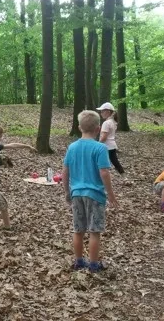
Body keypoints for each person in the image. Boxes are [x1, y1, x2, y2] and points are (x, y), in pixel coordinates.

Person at [62, 110, 118, 273]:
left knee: (78, 229)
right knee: (94, 231)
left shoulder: (72, 147)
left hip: (77, 194)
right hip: (95, 195)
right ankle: (93, 264)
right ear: (98, 129)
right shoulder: (100, 148)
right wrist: (111, 194)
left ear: (79, 127)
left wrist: (67, 191)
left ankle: (79, 261)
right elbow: (104, 172)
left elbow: (65, 171)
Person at [96, 102, 124, 175]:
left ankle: (101, 175)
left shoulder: (106, 123)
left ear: (108, 112)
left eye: (102, 111)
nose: (101, 113)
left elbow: (104, 137)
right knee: (114, 161)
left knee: (103, 161)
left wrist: (98, 144)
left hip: (106, 146)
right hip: (111, 145)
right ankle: (122, 174)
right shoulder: (113, 121)